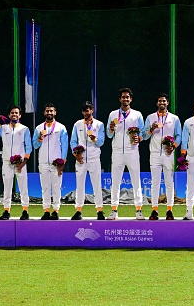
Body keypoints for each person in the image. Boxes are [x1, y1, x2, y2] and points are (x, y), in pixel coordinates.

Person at [106, 88, 145, 220]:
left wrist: (138, 138)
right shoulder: (113, 114)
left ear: (131, 99)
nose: (125, 99)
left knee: (136, 180)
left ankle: (138, 210)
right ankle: (114, 210)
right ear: (120, 99)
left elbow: (143, 133)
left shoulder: (137, 114)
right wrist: (111, 129)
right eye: (123, 97)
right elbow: (108, 134)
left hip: (132, 151)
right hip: (117, 151)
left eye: (127, 97)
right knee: (115, 181)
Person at [142, 93, 182, 220]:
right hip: (154, 154)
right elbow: (144, 136)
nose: (162, 103)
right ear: (157, 103)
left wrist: (173, 146)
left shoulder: (174, 118)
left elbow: (179, 135)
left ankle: (169, 210)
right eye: (160, 101)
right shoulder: (150, 117)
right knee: (155, 183)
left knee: (169, 183)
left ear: (167, 103)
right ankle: (154, 210)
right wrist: (151, 130)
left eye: (164, 101)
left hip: (168, 154)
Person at [0, 106, 32, 220]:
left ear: (20, 115)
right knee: (7, 188)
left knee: (23, 188)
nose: (14, 115)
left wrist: (24, 162)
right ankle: (6, 211)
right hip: (7, 162)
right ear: (9, 115)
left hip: (21, 163)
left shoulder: (24, 129)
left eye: (16, 113)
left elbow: (28, 146)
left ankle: (25, 211)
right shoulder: (3, 128)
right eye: (12, 113)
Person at [69, 101, 106, 220]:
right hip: (80, 160)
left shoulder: (99, 124)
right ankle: (78, 210)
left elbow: (101, 142)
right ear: (82, 111)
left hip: (94, 158)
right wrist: (76, 154)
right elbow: (73, 142)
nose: (86, 112)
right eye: (84, 109)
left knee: (97, 185)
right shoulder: (77, 124)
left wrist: (94, 139)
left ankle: (99, 210)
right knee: (79, 186)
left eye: (88, 109)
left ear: (92, 110)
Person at [33, 103, 68, 220]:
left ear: (55, 112)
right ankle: (46, 210)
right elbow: (35, 145)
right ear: (44, 113)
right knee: (45, 187)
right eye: (47, 111)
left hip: (56, 163)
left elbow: (65, 145)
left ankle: (56, 210)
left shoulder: (61, 127)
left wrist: (62, 161)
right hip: (43, 162)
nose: (49, 113)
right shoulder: (39, 128)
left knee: (57, 187)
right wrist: (39, 138)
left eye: (51, 111)